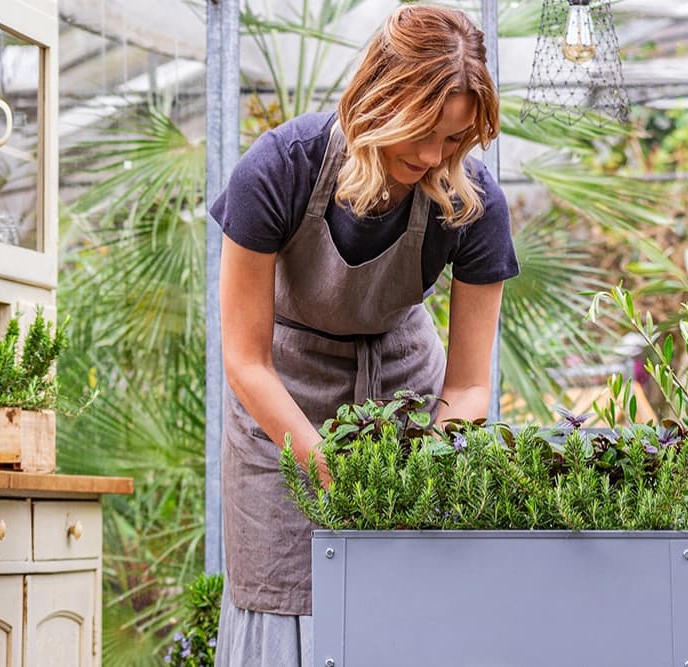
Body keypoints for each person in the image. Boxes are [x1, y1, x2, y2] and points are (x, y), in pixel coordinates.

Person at [208, 4, 516, 666]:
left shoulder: (472, 203)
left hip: (404, 396)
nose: (436, 156)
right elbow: (243, 358)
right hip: (280, 408)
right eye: (424, 132)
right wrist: (325, 461)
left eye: (456, 139)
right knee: (283, 593)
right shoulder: (279, 168)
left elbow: (466, 385)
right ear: (382, 96)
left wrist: (423, 471)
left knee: (405, 604)